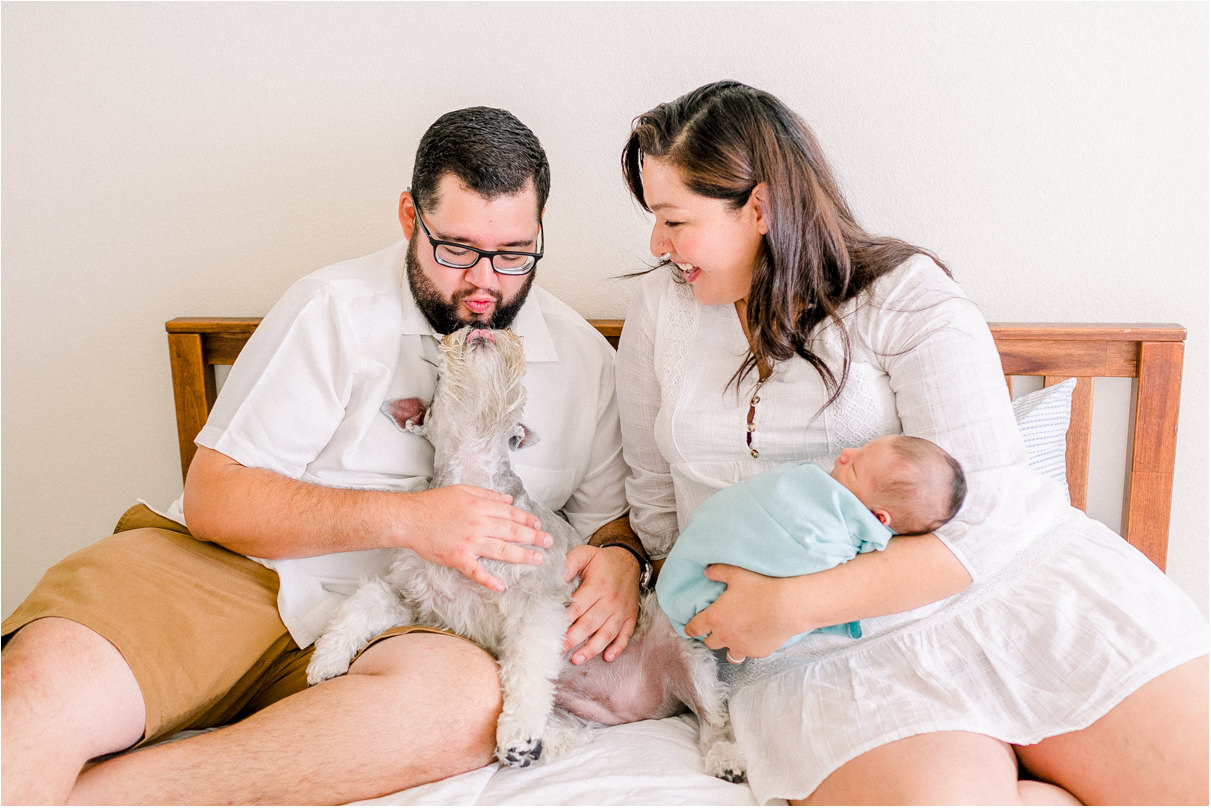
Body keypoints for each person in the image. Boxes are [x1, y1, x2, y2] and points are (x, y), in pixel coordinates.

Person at [1, 106, 650, 806]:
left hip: (409, 627)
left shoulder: (583, 359)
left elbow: (610, 521)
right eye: (455, 249)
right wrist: (410, 521)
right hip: (232, 572)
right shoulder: (330, 308)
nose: (483, 283)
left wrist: (618, 560)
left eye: (513, 254)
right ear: (410, 217)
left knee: (465, 707)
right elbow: (217, 497)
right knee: (49, 689)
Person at [616, 80, 1208, 805]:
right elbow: (649, 500)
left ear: (761, 209)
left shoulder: (903, 295)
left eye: (673, 219)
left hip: (999, 590)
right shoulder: (659, 310)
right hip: (825, 659)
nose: (656, 244)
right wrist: (679, 587)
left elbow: (987, 516)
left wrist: (794, 603)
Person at [658, 434, 966, 648]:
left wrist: (786, 611)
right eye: (859, 450)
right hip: (696, 571)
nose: (846, 454)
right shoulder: (806, 487)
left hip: (707, 602)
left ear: (878, 517)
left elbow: (810, 567)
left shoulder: (839, 536)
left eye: (855, 467)